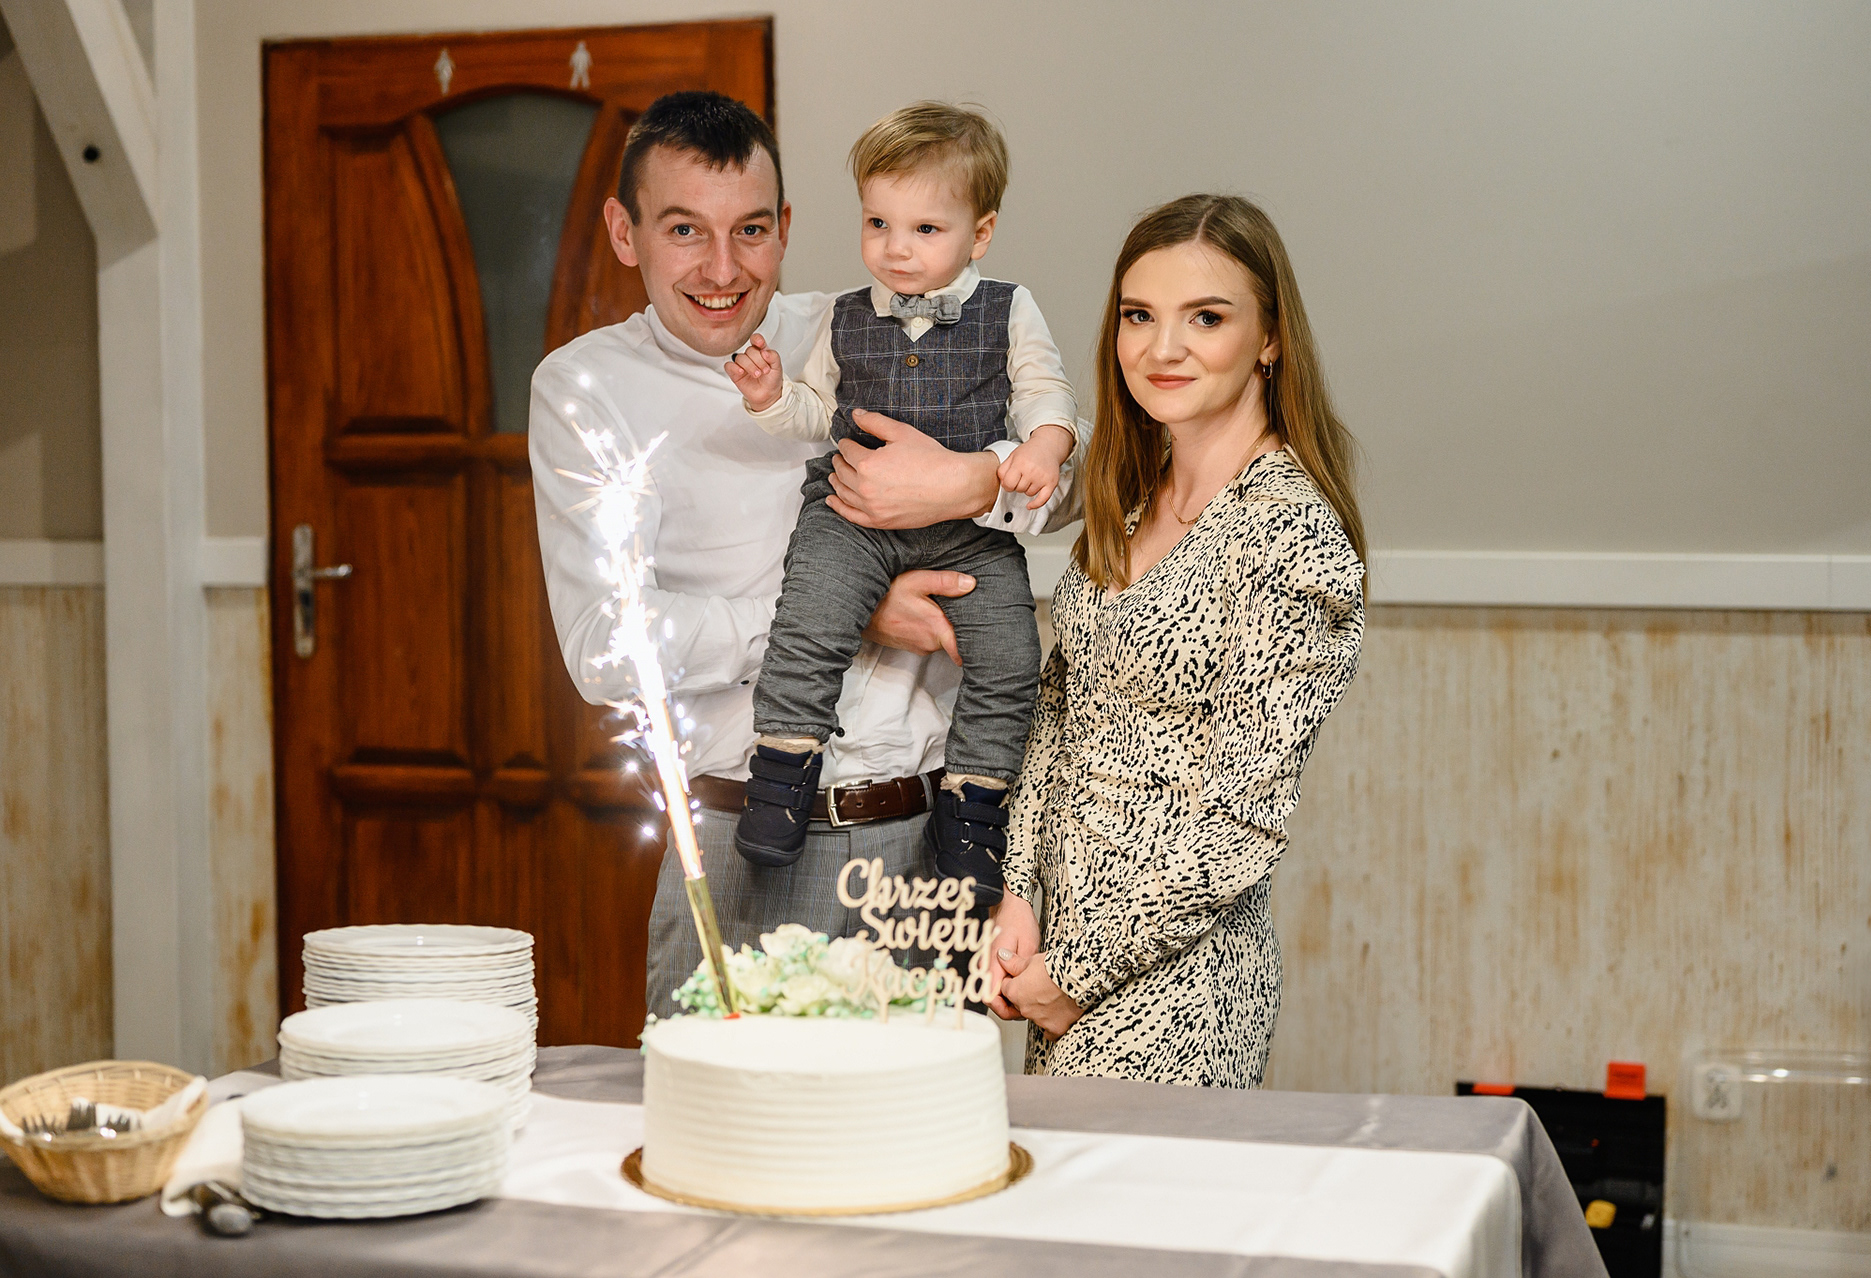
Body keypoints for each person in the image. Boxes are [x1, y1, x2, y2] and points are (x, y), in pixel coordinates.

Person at [526, 92, 1081, 1022]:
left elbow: (1080, 479)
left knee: (928, 1115)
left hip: (925, 838)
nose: (722, 268)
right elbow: (605, 648)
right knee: (724, 1112)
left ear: (784, 228)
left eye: (750, 230)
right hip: (738, 838)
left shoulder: (858, 327)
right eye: (683, 230)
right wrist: (847, 618)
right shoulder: (585, 387)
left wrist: (971, 480)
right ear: (626, 233)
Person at [989, 194, 1367, 1088]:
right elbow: (1063, 708)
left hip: (1180, 988)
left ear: (1270, 339)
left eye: (1205, 318)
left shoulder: (1288, 533)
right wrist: (1018, 892)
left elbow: (1243, 817)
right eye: (1139, 316)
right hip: (1056, 950)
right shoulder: (1131, 494)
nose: (1162, 349)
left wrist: (1075, 977)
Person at [722, 102, 1081, 900]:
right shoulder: (846, 316)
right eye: (878, 223)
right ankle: (782, 768)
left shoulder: (1010, 307)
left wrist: (1044, 445)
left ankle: (974, 806)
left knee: (1010, 655)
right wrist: (772, 396)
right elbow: (818, 414)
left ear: (979, 234)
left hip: (969, 533)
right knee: (810, 615)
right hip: (852, 514)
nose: (895, 247)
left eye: (925, 229)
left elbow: (1044, 390)